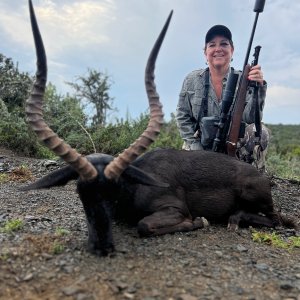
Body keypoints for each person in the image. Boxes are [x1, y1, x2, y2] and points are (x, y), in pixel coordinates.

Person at [176, 24, 269, 170]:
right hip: (200, 145)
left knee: (260, 131)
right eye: (212, 45)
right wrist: (196, 147)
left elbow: (250, 119)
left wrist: (259, 87)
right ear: (205, 52)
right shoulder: (191, 79)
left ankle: (251, 177)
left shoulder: (245, 80)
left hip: (233, 145)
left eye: (224, 44)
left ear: (231, 50)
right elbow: (182, 116)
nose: (218, 49)